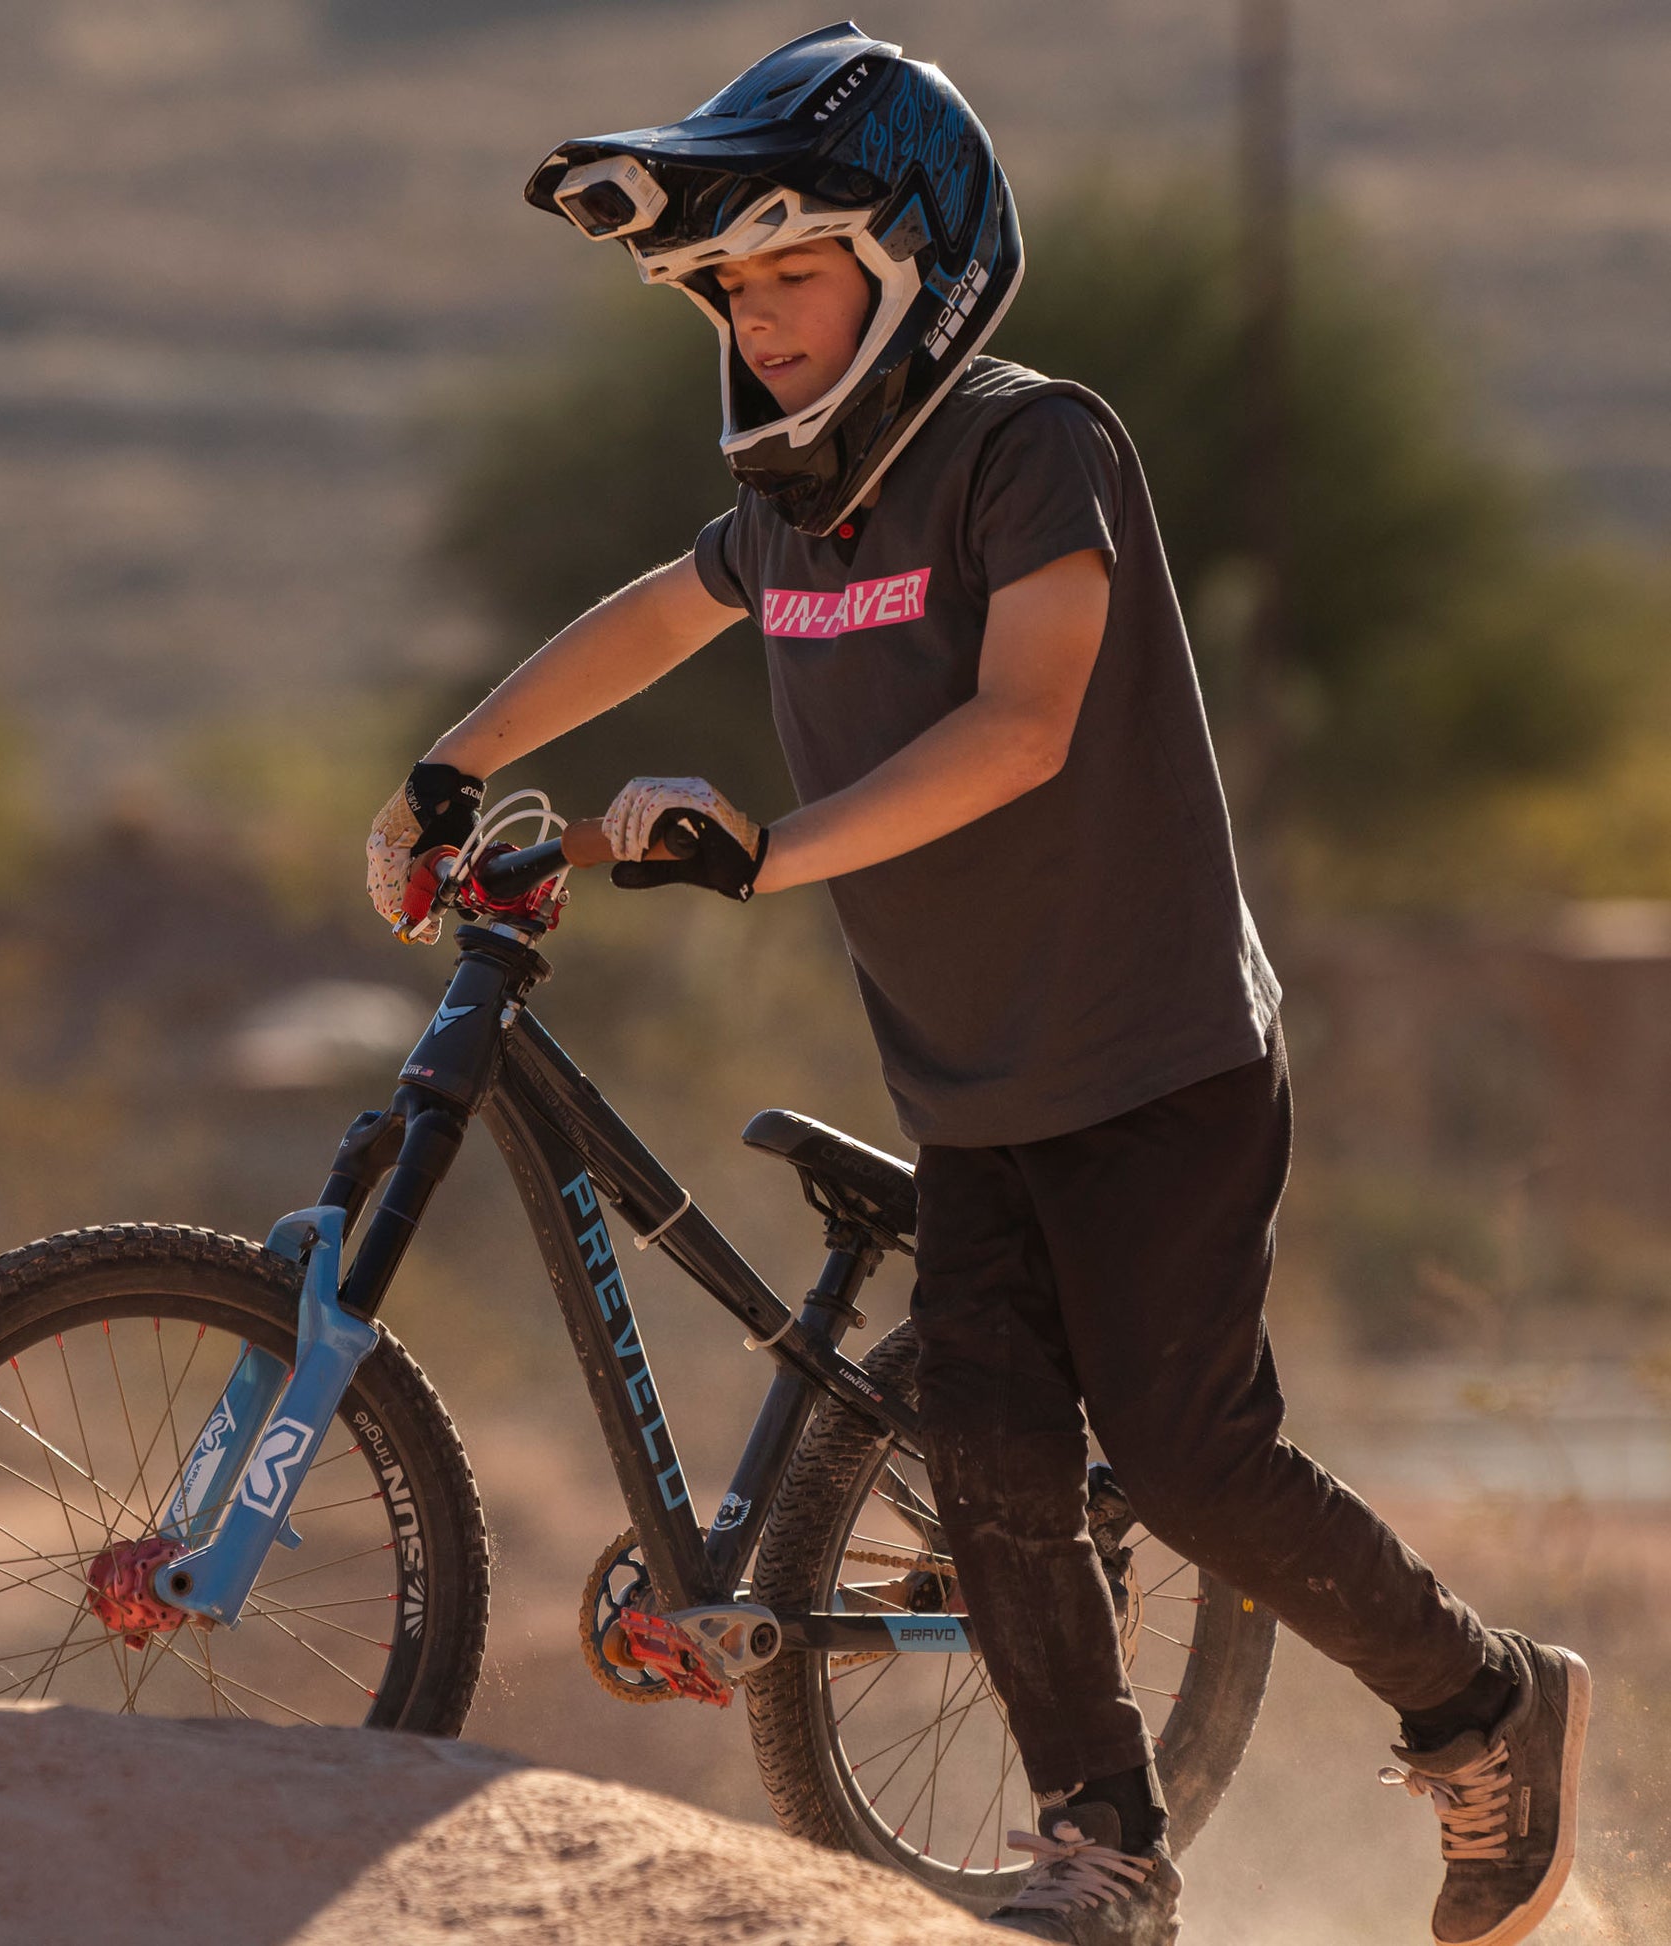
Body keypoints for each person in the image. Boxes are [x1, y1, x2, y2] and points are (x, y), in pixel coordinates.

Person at [365, 23, 1589, 1945]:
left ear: (910, 266)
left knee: (1190, 1456)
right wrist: (456, 766)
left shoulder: (1033, 448)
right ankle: (1101, 1851)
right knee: (995, 1454)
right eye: (732, 289)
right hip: (969, 1074)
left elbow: (1022, 732)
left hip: (1156, 1055)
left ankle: (1482, 1697)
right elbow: (653, 617)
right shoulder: (790, 504)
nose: (762, 323)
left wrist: (759, 851)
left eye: (793, 273)